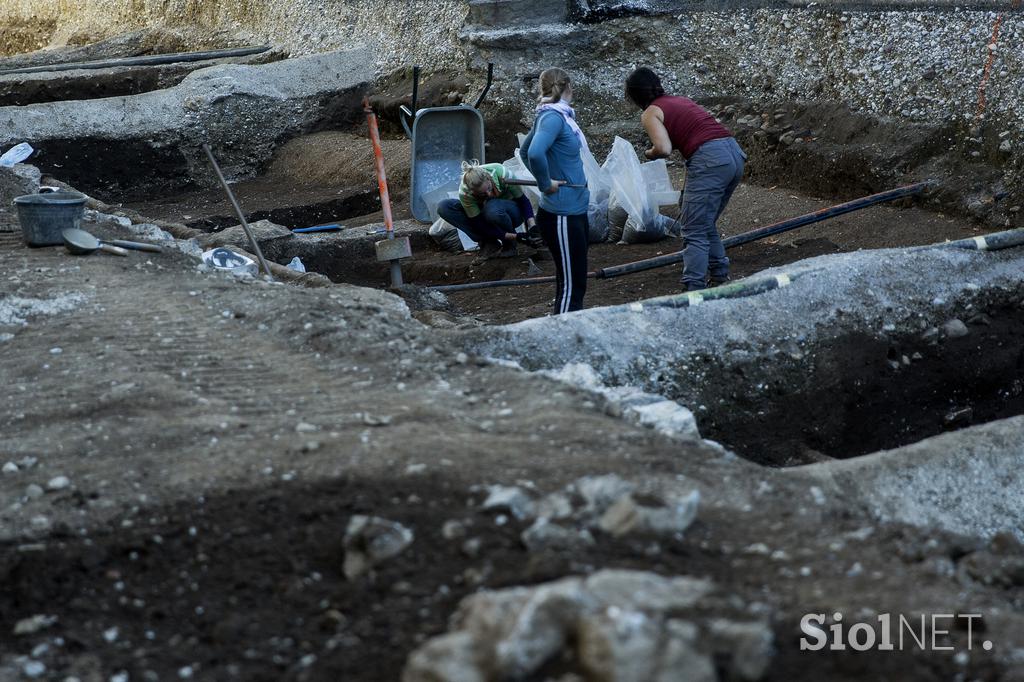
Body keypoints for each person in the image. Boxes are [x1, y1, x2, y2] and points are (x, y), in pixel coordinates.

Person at [625, 66, 746, 292]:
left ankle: (693, 289)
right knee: (703, 221)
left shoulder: (651, 112)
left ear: (634, 95)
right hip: (733, 154)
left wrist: (648, 153)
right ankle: (719, 275)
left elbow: (663, 148)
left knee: (693, 229)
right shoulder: (680, 100)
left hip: (710, 159)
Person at [520, 67, 591, 314]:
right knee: (572, 285)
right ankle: (564, 332)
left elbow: (524, 151)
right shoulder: (552, 117)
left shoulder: (553, 115)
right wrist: (545, 184)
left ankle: (567, 329)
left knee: (575, 279)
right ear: (568, 87)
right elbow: (533, 152)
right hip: (562, 213)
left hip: (574, 208)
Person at [436, 161, 540, 261]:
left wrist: (532, 226)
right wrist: (517, 236)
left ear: (488, 178)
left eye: (489, 188)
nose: (489, 194)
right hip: (487, 214)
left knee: (492, 207)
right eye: (482, 194)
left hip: (512, 211)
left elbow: (524, 202)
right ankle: (489, 243)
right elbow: (480, 225)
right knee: (444, 207)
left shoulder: (502, 173)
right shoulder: (465, 192)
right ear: (472, 191)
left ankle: (509, 245)